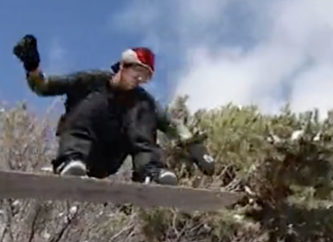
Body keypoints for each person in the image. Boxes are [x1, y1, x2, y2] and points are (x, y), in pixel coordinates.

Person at [12, 34, 215, 186]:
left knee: (144, 108)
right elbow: (44, 87)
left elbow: (172, 125)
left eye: (145, 76)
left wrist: (196, 148)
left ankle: (150, 171)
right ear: (123, 66)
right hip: (82, 147)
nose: (139, 79)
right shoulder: (90, 81)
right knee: (93, 102)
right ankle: (71, 161)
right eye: (137, 72)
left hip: (109, 158)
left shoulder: (142, 99)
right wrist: (32, 67)